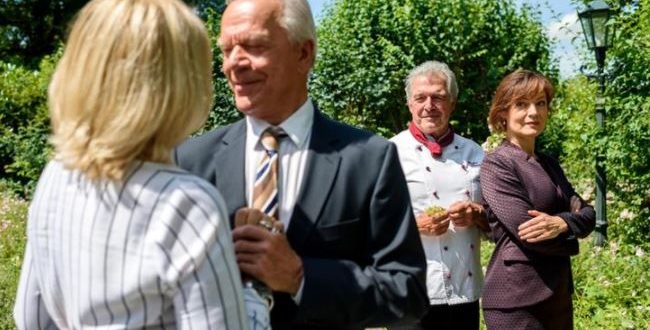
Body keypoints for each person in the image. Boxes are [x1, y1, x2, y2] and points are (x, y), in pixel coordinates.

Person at [13, 0, 268, 328]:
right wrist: (253, 292)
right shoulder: (187, 204)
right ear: (180, 85)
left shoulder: (56, 175)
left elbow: (30, 318)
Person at [174, 0, 428, 328]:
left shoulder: (368, 160)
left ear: (304, 53)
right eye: (226, 50)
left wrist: (300, 276)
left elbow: (407, 294)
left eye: (253, 45)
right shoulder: (190, 159)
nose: (233, 64)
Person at [480, 69, 596, 329]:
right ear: (503, 114)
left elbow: (588, 214)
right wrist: (574, 235)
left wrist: (564, 224)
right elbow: (528, 233)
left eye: (540, 103)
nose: (534, 112)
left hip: (557, 295)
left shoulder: (550, 164)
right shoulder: (497, 165)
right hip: (515, 301)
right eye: (521, 104)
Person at [390, 61, 488, 330]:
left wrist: (478, 215)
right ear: (409, 104)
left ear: (453, 103)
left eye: (439, 97)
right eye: (420, 98)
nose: (429, 105)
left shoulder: (475, 153)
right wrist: (415, 225)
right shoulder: (388, 153)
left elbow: (496, 222)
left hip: (464, 290)